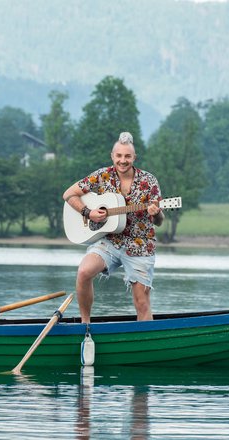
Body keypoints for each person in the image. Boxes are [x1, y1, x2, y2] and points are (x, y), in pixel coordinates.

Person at [62, 132, 164, 323]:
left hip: (140, 244)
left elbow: (159, 221)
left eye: (127, 156)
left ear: (134, 157)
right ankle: (85, 326)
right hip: (109, 240)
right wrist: (88, 212)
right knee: (84, 272)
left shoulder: (149, 181)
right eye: (119, 156)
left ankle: (145, 343)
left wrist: (156, 212)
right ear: (112, 156)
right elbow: (68, 194)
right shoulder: (102, 176)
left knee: (141, 302)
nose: (123, 161)